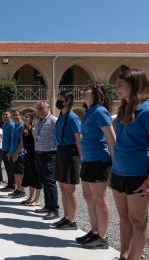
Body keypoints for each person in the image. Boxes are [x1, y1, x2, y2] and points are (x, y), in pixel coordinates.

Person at [110, 69, 149, 260]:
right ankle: (124, 255)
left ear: (134, 87)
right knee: (124, 219)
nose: (115, 88)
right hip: (119, 173)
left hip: (138, 175)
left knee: (137, 221)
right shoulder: (124, 110)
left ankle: (135, 257)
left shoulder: (146, 111)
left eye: (119, 85)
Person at [78, 82, 115, 249]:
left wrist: (115, 165)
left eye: (86, 89)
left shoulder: (100, 111)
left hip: (99, 161)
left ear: (95, 93)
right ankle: (94, 232)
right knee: (88, 197)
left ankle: (103, 237)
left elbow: (111, 139)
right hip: (88, 160)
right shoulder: (89, 111)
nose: (82, 91)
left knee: (100, 200)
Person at [53, 91, 82, 230]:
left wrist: (82, 158)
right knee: (63, 187)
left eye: (61, 99)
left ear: (69, 101)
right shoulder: (62, 116)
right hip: (61, 151)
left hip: (71, 153)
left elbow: (78, 139)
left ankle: (73, 220)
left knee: (70, 189)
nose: (58, 102)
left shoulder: (73, 117)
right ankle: (66, 217)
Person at [33, 101, 59, 220]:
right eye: (38, 109)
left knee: (50, 181)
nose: (40, 110)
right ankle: (48, 205)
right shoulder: (38, 122)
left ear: (48, 107)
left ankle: (54, 209)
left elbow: (57, 138)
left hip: (50, 154)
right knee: (44, 181)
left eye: (42, 108)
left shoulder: (54, 120)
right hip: (39, 154)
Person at [20, 112, 42, 206]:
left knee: (36, 177)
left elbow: (37, 142)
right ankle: (30, 197)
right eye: (25, 117)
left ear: (32, 119)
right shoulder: (25, 129)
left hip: (34, 155)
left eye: (27, 117)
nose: (25, 119)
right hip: (27, 155)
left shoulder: (33, 129)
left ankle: (37, 199)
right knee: (29, 176)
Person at [9, 110, 26, 199]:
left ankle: (22, 191)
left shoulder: (22, 125)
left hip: (20, 153)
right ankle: (18, 189)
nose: (15, 116)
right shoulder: (15, 126)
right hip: (14, 152)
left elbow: (22, 141)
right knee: (16, 173)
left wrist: (16, 153)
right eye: (14, 115)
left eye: (17, 115)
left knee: (20, 173)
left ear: (20, 116)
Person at [0, 110, 15, 192]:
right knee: (7, 168)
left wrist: (10, 151)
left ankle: (12, 185)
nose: (4, 116)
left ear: (10, 116)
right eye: (3, 115)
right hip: (4, 149)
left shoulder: (12, 125)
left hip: (9, 150)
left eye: (6, 114)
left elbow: (13, 140)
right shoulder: (4, 125)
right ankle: (9, 184)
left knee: (11, 168)